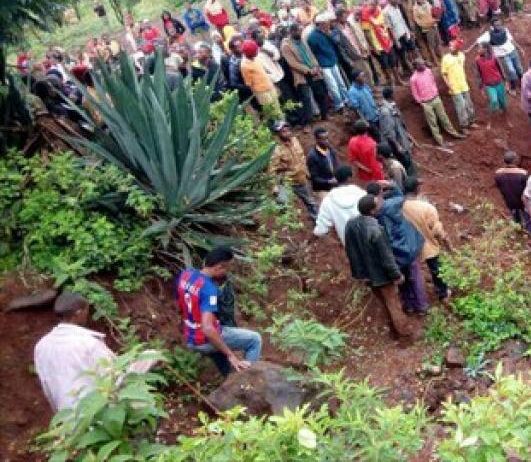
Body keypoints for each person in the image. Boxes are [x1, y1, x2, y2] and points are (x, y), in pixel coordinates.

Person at [34, 293, 158, 413]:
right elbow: (115, 380)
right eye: (86, 311)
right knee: (140, 396)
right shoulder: (88, 343)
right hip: (96, 417)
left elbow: (48, 388)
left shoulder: (41, 346)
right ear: (79, 313)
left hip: (69, 419)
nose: (87, 315)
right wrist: (147, 360)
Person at [176, 247, 262, 375]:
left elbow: (180, 305)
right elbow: (208, 329)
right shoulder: (210, 290)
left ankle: (230, 377)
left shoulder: (185, 275)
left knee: (221, 354)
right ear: (219, 267)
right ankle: (249, 380)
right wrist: (231, 355)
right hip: (204, 339)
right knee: (255, 339)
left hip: (191, 338)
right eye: (227, 268)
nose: (226, 273)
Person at [344, 194, 416, 341]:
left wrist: (359, 274)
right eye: (378, 204)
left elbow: (350, 250)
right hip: (381, 275)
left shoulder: (350, 224)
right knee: (393, 303)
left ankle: (392, 330)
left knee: (384, 302)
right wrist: (397, 275)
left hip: (365, 273)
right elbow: (387, 258)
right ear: (372, 211)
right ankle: (405, 335)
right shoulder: (376, 230)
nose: (381, 204)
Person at [366, 181, 427, 315]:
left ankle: (409, 306)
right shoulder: (392, 204)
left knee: (402, 279)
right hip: (408, 248)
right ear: (381, 192)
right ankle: (421, 306)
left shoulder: (370, 216)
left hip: (393, 254)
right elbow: (402, 196)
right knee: (415, 276)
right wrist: (392, 185)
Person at [401, 177, 450, 301]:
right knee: (436, 270)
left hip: (408, 246)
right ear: (417, 189)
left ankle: (413, 299)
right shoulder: (427, 208)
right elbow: (437, 230)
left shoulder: (399, 207)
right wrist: (446, 242)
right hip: (427, 245)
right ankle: (443, 293)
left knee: (411, 273)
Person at [409, 59, 464, 147]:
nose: (424, 66)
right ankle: (440, 142)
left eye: (423, 64)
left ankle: (454, 134)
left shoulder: (428, 71)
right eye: (421, 65)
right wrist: (421, 103)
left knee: (444, 117)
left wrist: (436, 92)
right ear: (416, 67)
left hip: (436, 98)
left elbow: (433, 82)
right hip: (426, 103)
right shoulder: (413, 79)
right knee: (433, 123)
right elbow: (414, 93)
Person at [270, 120, 318, 219]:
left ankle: (317, 221)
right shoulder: (276, 150)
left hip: (301, 178)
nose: (287, 132)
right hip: (287, 182)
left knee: (310, 202)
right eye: (283, 131)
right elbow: (272, 169)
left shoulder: (295, 141)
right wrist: (274, 186)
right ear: (278, 134)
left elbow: (302, 158)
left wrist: (307, 172)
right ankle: (288, 225)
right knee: (283, 203)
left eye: (287, 129)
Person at [281, 23, 327, 122]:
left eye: (300, 30)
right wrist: (308, 70)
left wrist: (316, 66)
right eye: (298, 31)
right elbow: (292, 63)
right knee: (306, 98)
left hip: (314, 71)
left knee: (320, 93)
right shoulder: (286, 46)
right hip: (302, 75)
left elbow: (311, 54)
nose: (300, 32)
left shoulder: (302, 40)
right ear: (292, 32)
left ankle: (324, 115)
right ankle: (309, 120)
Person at [307, 13, 349, 113]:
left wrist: (329, 34)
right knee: (332, 86)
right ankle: (339, 104)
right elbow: (313, 53)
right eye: (326, 23)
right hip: (323, 64)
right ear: (321, 24)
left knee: (340, 82)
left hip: (332, 60)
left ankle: (346, 99)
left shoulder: (327, 33)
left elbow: (336, 42)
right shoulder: (312, 37)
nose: (328, 25)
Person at [314, 165, 366, 244]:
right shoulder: (361, 193)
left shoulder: (328, 201)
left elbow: (320, 230)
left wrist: (336, 243)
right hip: (369, 237)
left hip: (350, 245)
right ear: (349, 178)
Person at [474, 19, 523, 92]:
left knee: (519, 69)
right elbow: (478, 41)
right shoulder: (488, 34)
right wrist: (468, 50)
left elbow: (511, 40)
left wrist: (520, 48)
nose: (499, 26)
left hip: (513, 51)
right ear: (492, 26)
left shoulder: (505, 30)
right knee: (511, 71)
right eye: (497, 25)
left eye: (500, 24)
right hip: (503, 56)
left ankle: (522, 83)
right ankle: (513, 87)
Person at [377, 86, 416, 176]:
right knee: (405, 161)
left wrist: (406, 134)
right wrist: (398, 146)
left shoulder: (392, 106)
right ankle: (409, 179)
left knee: (407, 160)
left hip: (400, 138)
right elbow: (388, 133)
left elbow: (399, 122)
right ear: (391, 95)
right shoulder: (386, 112)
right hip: (395, 143)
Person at [495, 150, 531, 236]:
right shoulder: (523, 173)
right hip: (522, 201)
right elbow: (527, 188)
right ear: (515, 160)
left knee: (515, 216)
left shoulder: (498, 174)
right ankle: (530, 234)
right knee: (528, 218)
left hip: (509, 201)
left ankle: (518, 231)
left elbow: (499, 186)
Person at [439, 42, 477, 130]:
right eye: (450, 46)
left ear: (457, 48)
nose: (450, 48)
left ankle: (472, 122)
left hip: (463, 84)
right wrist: (448, 85)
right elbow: (444, 74)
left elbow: (462, 67)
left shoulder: (462, 56)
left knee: (469, 104)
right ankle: (464, 126)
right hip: (454, 86)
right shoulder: (445, 58)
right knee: (461, 106)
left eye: (452, 46)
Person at [241, 40, 280, 120]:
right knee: (270, 111)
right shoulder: (244, 65)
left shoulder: (255, 58)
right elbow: (249, 83)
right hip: (261, 92)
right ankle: (278, 128)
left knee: (277, 107)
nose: (257, 53)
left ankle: (283, 125)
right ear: (249, 54)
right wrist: (257, 93)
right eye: (255, 52)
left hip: (269, 86)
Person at [306, 127, 341, 193]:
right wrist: (328, 181)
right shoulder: (312, 156)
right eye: (323, 139)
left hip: (334, 186)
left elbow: (336, 165)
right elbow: (314, 178)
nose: (327, 141)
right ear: (317, 140)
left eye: (327, 138)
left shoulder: (330, 149)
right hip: (322, 190)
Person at [475, 43, 507, 112]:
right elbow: (479, 74)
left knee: (503, 102)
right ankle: (491, 114)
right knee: (494, 101)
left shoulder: (494, 57)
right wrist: (481, 87)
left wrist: (505, 81)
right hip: (489, 85)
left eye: (480, 48)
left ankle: (504, 112)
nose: (478, 50)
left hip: (498, 83)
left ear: (485, 49)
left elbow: (501, 69)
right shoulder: (477, 60)